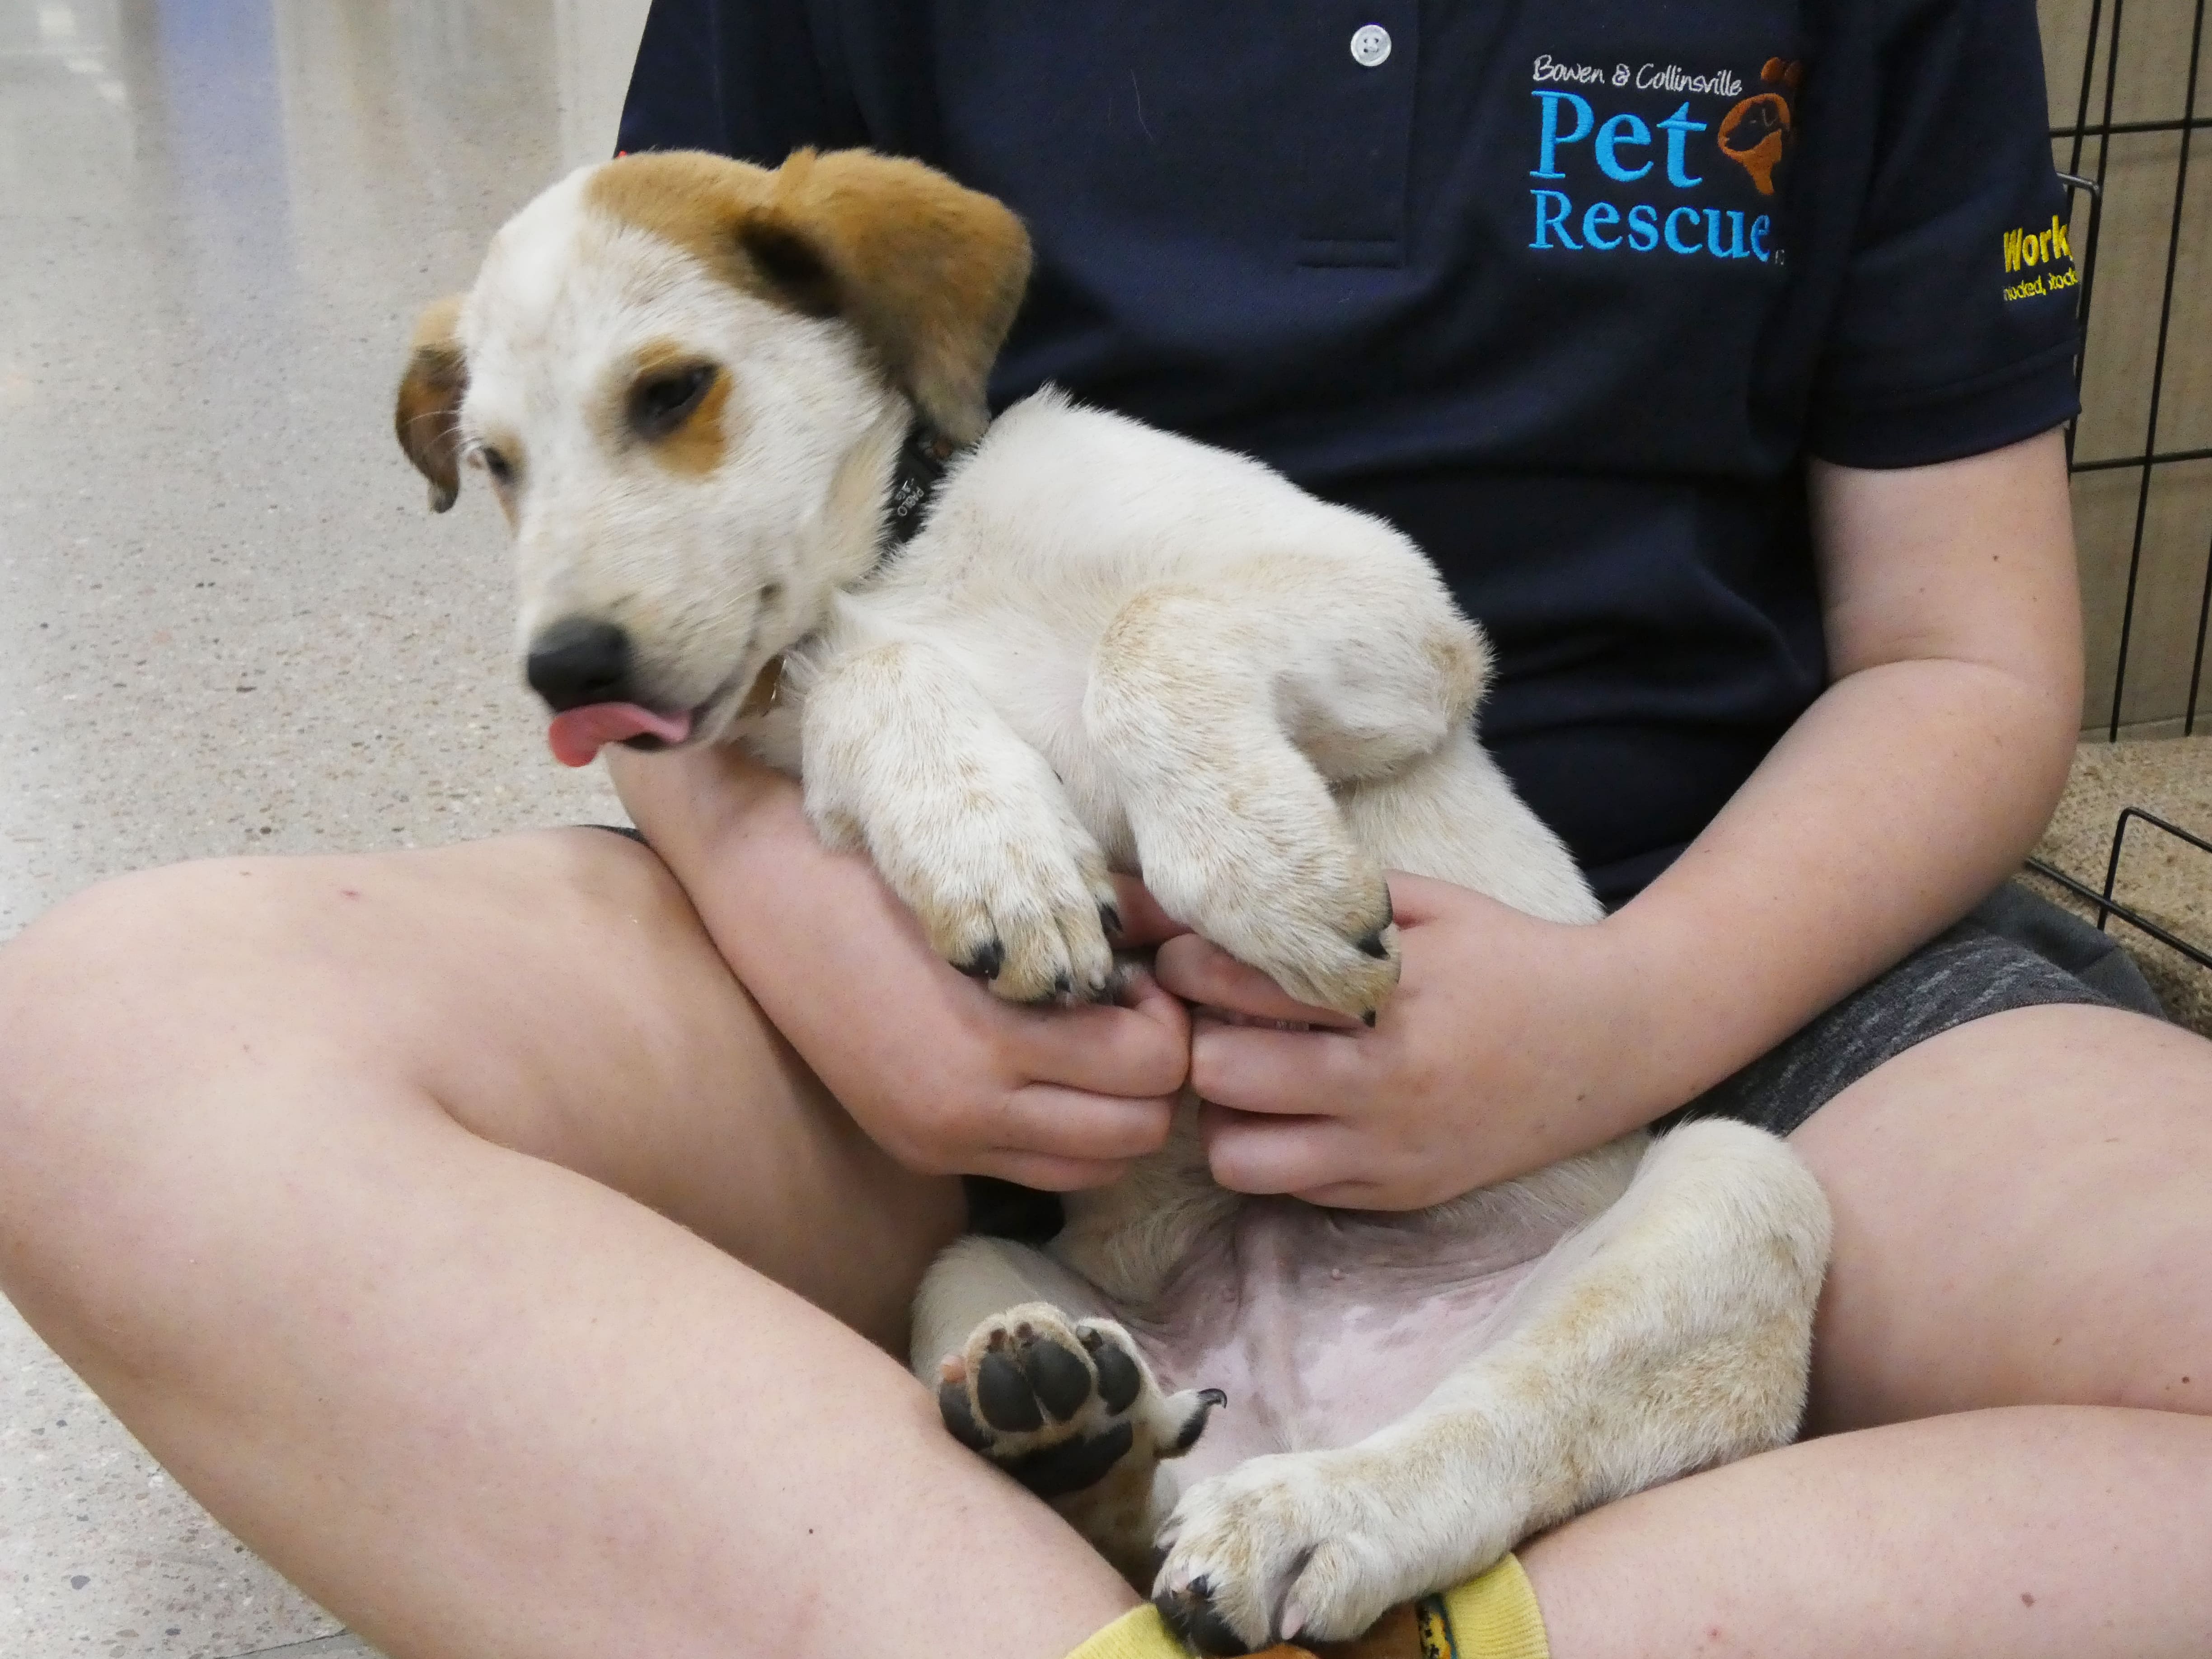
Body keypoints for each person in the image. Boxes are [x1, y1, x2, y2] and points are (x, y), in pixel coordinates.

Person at [3, 2, 2209, 1656]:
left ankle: (1345, 1602)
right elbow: (683, 604)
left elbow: (1968, 657)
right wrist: (826, 954)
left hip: (1719, 936)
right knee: (107, 1058)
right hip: (926, 931)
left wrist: (1626, 1018)